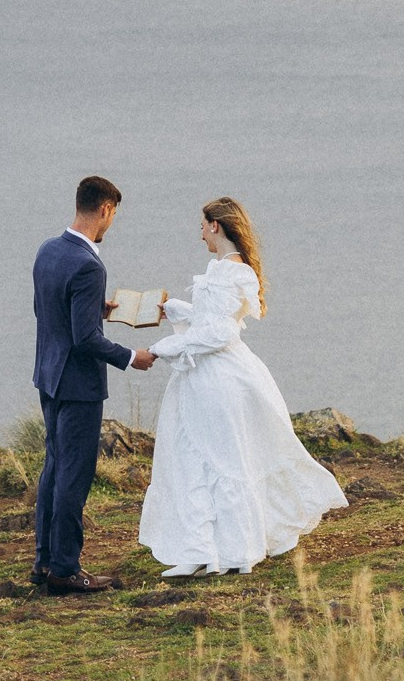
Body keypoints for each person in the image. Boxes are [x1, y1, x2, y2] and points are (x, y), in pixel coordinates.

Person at [139, 195, 346, 578]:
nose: (200, 234)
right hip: (201, 377)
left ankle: (233, 551)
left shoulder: (236, 273)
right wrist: (172, 310)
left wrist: (162, 348)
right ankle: (202, 549)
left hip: (219, 378)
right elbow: (208, 319)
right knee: (192, 458)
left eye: (202, 226)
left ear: (215, 225)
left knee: (222, 459)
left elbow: (220, 331)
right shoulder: (219, 268)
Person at [30, 172, 156, 596]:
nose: (111, 224)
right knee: (74, 475)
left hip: (48, 376)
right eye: (113, 215)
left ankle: (44, 560)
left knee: (52, 468)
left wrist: (91, 309)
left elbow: (46, 310)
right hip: (79, 385)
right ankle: (66, 569)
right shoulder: (88, 264)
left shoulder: (49, 251)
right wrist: (129, 357)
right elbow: (85, 341)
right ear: (104, 209)